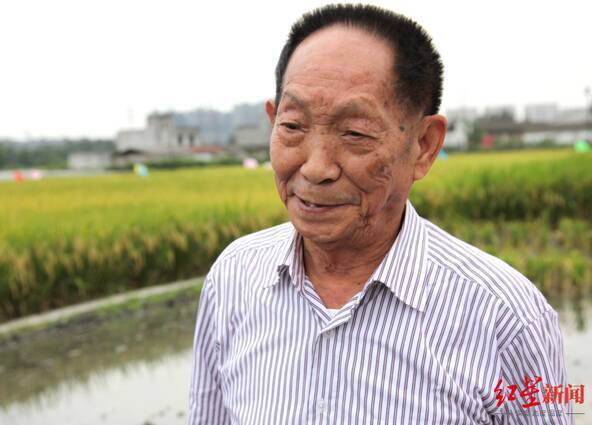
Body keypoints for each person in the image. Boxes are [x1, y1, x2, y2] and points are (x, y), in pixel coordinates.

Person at [188, 4, 571, 424]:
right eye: (293, 126)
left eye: (355, 133)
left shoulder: (508, 319)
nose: (316, 168)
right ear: (271, 120)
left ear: (424, 146)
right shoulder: (233, 278)